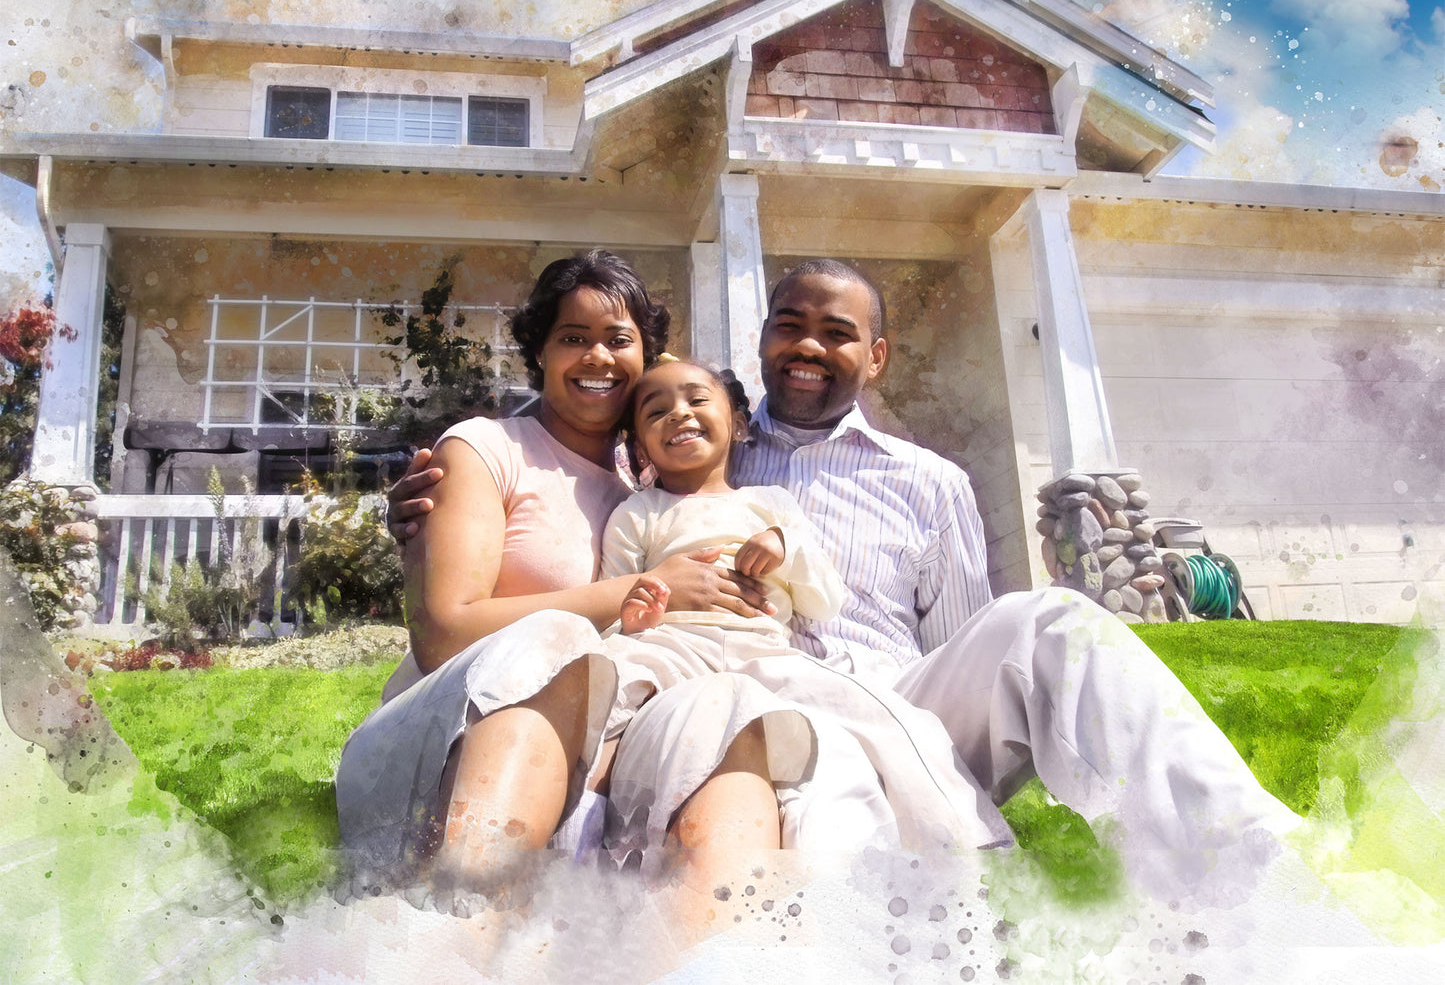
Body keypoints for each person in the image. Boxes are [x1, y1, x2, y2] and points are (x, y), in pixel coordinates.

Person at [392, 258, 1301, 895]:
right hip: (748, 702)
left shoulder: (929, 479)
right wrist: (421, 526)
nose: (809, 345)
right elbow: (572, 508)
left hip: (900, 694)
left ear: (875, 354)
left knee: (1046, 624)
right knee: (809, 819)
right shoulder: (686, 465)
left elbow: (960, 640)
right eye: (789, 325)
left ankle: (1250, 857)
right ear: (759, 345)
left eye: (838, 332)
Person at [334, 250, 783, 900]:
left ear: (645, 357)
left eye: (618, 339)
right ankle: (455, 933)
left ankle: (719, 956)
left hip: (589, 764)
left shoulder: (645, 497)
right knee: (553, 643)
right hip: (454, 755)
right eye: (573, 338)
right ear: (538, 351)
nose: (597, 357)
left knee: (726, 710)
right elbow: (443, 632)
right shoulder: (486, 449)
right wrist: (639, 587)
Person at [590, 357, 1011, 865]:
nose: (678, 415)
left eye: (697, 401)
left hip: (762, 653)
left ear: (739, 424)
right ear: (637, 445)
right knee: (600, 698)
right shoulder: (637, 514)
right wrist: (635, 617)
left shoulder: (772, 504)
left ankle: (966, 841)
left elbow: (824, 599)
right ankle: (577, 840)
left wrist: (785, 547)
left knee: (885, 716)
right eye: (656, 413)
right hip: (672, 647)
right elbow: (616, 593)